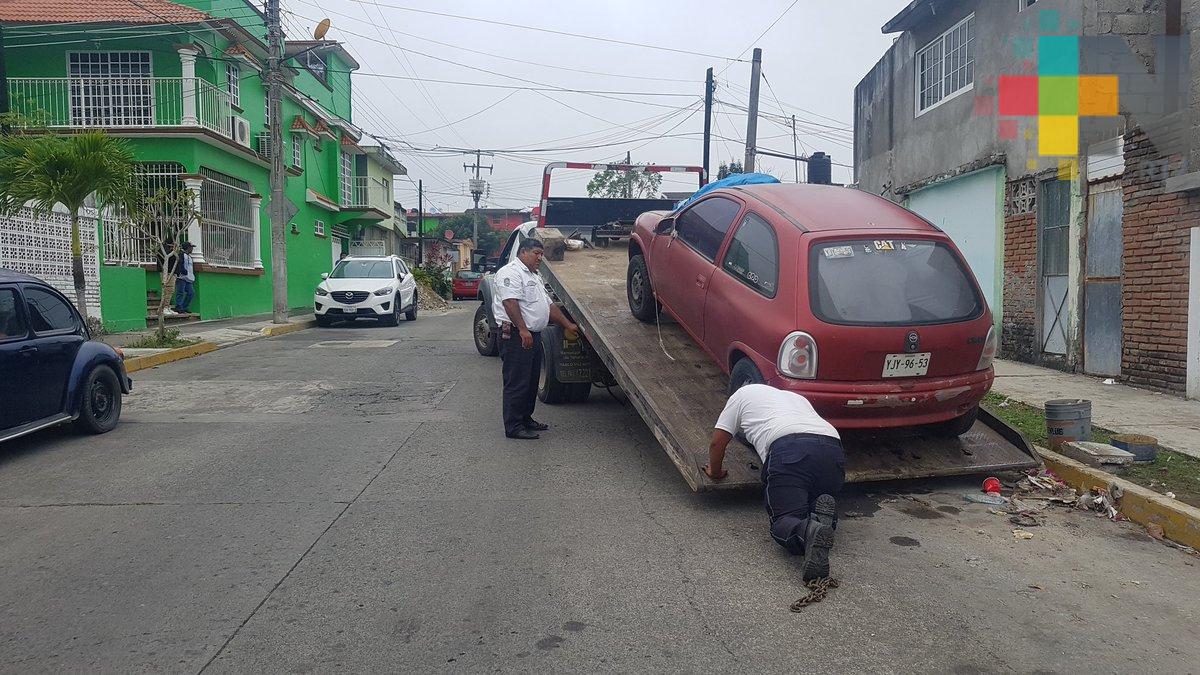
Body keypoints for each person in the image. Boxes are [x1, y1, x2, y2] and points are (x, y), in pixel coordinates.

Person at [703, 383, 845, 580]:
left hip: (789, 448)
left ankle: (807, 531)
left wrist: (715, 472)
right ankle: (821, 519)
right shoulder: (796, 398)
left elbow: (717, 442)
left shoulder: (740, 396)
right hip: (833, 449)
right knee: (814, 498)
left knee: (786, 519)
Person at [492, 237, 579, 440]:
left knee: (531, 381)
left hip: (532, 334)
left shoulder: (534, 275)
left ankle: (525, 418)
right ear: (523, 252)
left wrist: (568, 324)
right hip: (516, 335)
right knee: (517, 381)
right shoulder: (510, 273)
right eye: (536, 253)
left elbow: (548, 306)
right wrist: (523, 330)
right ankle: (514, 426)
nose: (540, 257)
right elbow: (510, 302)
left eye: (541, 254)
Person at [171, 242, 197, 314]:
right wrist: (182, 271)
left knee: (191, 293)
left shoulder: (190, 257)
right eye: (191, 247)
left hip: (189, 278)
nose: (192, 249)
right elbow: (179, 263)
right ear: (187, 248)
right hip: (181, 277)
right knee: (180, 292)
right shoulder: (181, 254)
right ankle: (179, 307)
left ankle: (184, 307)